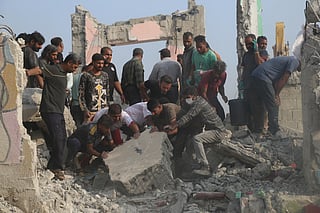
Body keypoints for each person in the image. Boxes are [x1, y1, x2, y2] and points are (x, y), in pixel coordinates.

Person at [26, 53, 82, 180]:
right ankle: (57, 168)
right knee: (58, 138)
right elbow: (40, 70)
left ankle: (53, 166)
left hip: (58, 110)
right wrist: (27, 73)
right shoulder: (54, 69)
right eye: (74, 67)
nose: (75, 70)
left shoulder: (62, 74)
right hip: (50, 110)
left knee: (61, 138)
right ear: (69, 63)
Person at [168, 86, 232, 177]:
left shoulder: (199, 103)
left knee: (197, 139)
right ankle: (194, 166)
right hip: (212, 130)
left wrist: (175, 125)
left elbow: (189, 116)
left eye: (188, 97)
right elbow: (184, 112)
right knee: (190, 144)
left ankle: (205, 167)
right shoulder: (193, 103)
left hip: (218, 132)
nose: (187, 99)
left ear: (194, 96)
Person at [251, 56, 301, 138]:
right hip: (263, 76)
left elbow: (276, 80)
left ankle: (258, 130)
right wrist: (276, 95)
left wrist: (275, 93)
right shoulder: (295, 61)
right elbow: (284, 78)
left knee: (262, 105)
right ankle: (274, 131)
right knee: (274, 103)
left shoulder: (288, 60)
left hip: (257, 75)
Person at [240, 34, 269, 134]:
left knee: (259, 111)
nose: (248, 46)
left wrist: (256, 51)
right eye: (246, 44)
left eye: (250, 44)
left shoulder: (262, 52)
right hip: (248, 86)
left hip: (258, 87)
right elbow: (244, 69)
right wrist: (241, 82)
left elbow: (260, 64)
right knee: (249, 110)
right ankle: (251, 132)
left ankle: (260, 132)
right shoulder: (246, 55)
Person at [79, 53, 110, 123]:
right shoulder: (86, 76)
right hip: (90, 111)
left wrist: (108, 107)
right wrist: (85, 109)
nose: (101, 65)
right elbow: (81, 95)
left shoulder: (105, 75)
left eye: (102, 63)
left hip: (103, 110)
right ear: (93, 62)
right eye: (98, 63)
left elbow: (107, 93)